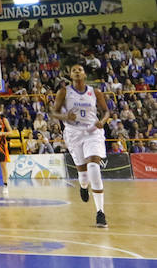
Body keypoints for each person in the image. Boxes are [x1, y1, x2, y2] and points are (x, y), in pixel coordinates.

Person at [51, 64, 110, 228]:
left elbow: (106, 111)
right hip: (73, 133)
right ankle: (83, 186)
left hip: (92, 131)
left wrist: (102, 122)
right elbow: (54, 112)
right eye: (73, 70)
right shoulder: (64, 92)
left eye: (80, 70)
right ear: (70, 75)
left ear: (84, 74)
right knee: (83, 176)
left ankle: (100, 212)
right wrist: (65, 116)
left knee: (94, 168)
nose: (77, 71)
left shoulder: (95, 91)